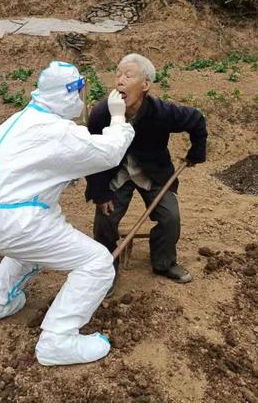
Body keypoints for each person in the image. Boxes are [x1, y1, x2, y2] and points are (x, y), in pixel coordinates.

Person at [0, 61, 134, 366]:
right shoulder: (56, 132)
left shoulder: (16, 121)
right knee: (97, 263)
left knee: (26, 249)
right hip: (19, 223)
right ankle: (58, 340)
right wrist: (119, 117)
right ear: (71, 94)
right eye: (81, 93)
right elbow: (110, 152)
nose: (83, 99)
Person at [86, 53, 208, 296]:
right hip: (115, 174)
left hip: (152, 173)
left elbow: (196, 120)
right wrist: (100, 193)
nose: (120, 80)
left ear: (145, 85)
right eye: (118, 74)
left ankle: (164, 263)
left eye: (128, 75)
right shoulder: (102, 114)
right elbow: (91, 155)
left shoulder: (161, 112)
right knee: (105, 220)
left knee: (170, 216)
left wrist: (196, 152)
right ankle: (107, 270)